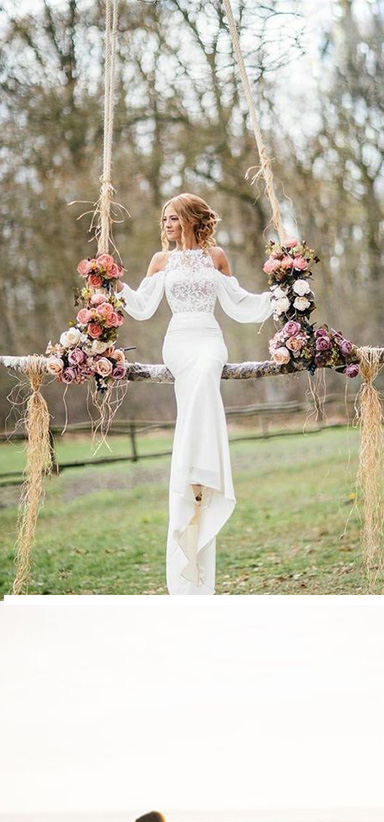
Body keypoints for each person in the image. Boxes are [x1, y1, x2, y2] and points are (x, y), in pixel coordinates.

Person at [119, 193, 273, 595]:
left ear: (190, 219)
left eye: (173, 218)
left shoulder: (216, 257)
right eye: (164, 218)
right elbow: (140, 306)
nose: (166, 224)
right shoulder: (160, 261)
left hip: (209, 337)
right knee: (197, 376)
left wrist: (282, 294)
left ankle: (199, 471)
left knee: (208, 370)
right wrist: (110, 282)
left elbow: (238, 303)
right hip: (178, 340)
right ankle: (196, 471)